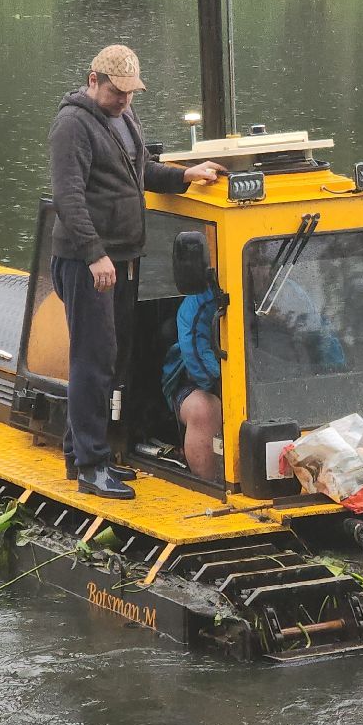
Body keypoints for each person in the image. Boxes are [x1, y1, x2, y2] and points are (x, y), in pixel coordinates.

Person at [48, 44, 225, 499]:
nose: (124, 100)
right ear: (93, 80)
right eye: (116, 92)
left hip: (125, 259)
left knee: (117, 357)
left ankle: (82, 452)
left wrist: (185, 175)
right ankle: (90, 466)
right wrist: (94, 254)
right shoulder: (72, 125)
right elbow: (67, 198)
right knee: (92, 359)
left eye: (130, 93)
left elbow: (140, 171)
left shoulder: (124, 119)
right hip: (90, 263)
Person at [161, 286, 223, 483]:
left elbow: (316, 338)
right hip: (196, 380)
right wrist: (223, 381)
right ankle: (209, 484)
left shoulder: (285, 292)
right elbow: (195, 349)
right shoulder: (202, 299)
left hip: (260, 380)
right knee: (204, 409)